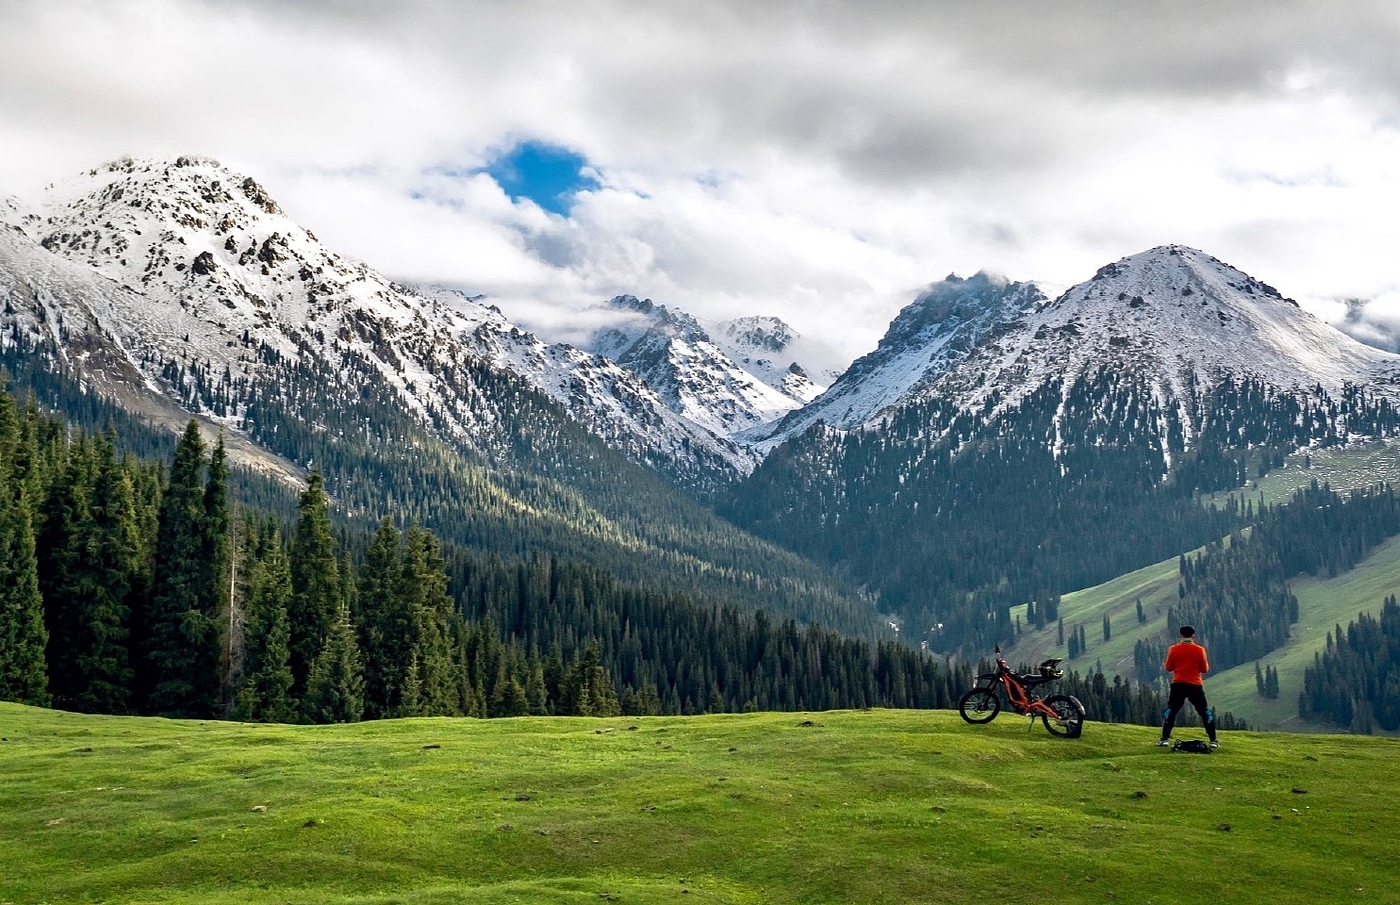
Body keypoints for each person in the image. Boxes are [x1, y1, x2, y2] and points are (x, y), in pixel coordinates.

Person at [1157, 625, 1219, 748]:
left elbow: (1169, 668)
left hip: (1178, 683)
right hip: (1195, 684)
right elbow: (1204, 669)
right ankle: (1213, 740)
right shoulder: (1199, 650)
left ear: (1180, 636)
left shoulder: (1173, 649)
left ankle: (1164, 739)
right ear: (1193, 636)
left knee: (1171, 711)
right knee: (1204, 712)